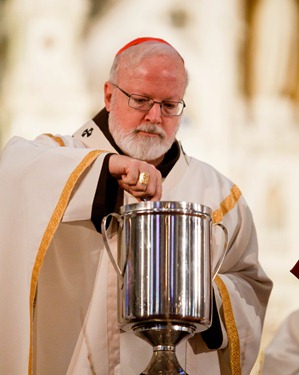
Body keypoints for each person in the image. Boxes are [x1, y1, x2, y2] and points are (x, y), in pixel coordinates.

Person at [0, 37, 272, 375]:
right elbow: (12, 171)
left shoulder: (218, 195)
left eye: (170, 105)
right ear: (109, 95)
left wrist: (203, 299)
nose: (155, 117)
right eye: (141, 100)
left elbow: (249, 286)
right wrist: (106, 168)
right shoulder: (57, 157)